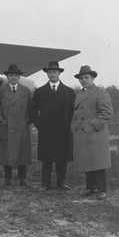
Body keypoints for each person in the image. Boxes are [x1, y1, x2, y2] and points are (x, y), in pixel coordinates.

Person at [29, 61, 76, 191]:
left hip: (63, 131)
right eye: (49, 72)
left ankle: (61, 183)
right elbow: (32, 111)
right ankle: (45, 184)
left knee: (62, 159)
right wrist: (40, 126)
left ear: (59, 73)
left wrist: (68, 125)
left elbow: (73, 111)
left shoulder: (69, 92)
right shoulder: (39, 92)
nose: (52, 74)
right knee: (46, 159)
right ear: (47, 74)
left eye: (54, 72)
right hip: (46, 131)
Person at [71, 65, 113, 200]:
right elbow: (76, 114)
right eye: (81, 78)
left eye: (86, 78)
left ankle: (102, 189)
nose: (83, 80)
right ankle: (90, 188)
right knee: (87, 161)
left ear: (93, 78)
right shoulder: (79, 95)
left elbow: (107, 112)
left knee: (98, 162)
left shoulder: (100, 92)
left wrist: (93, 125)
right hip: (82, 134)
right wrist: (74, 127)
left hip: (95, 133)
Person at [0, 64, 33, 188]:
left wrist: (27, 121)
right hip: (7, 127)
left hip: (21, 128)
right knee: (6, 153)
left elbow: (31, 110)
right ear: (7, 77)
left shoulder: (25, 91)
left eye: (15, 75)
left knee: (22, 153)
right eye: (11, 75)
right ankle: (7, 178)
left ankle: (23, 179)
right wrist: (0, 121)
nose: (13, 78)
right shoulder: (1, 91)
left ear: (19, 77)